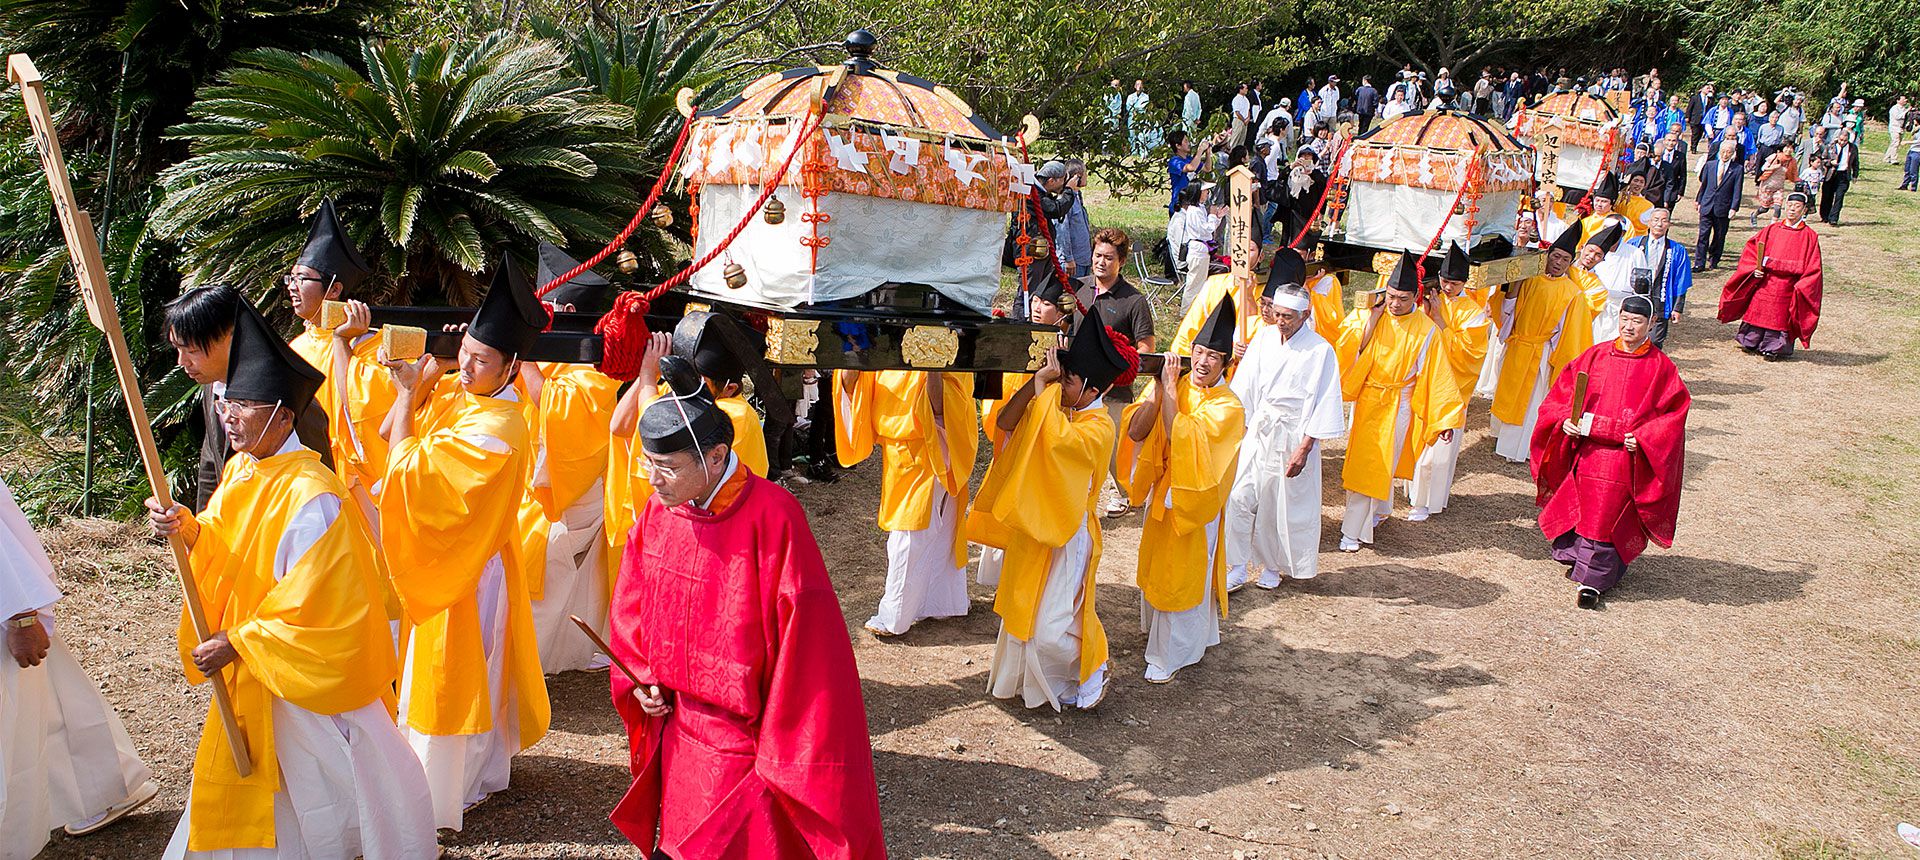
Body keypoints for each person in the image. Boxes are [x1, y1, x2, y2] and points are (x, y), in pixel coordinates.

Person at [146, 301, 436, 859]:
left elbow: (316, 604)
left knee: (326, 793)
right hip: (258, 667)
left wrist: (238, 640)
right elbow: (226, 544)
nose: (231, 418)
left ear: (283, 416)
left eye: (246, 407)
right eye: (229, 405)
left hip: (303, 679)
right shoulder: (244, 468)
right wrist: (186, 528)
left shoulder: (312, 495)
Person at [607, 356, 885, 859]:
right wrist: (642, 676)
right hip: (676, 723)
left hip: (747, 742)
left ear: (715, 457)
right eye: (647, 463)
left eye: (666, 467)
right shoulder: (658, 512)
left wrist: (782, 750)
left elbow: (808, 649)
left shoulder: (774, 517)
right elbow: (633, 603)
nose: (652, 479)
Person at [377, 255, 550, 831]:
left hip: (467, 562)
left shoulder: (499, 428)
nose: (468, 367)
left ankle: (450, 785)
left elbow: (407, 475)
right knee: (464, 667)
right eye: (466, 352)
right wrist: (420, 383)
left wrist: (406, 398)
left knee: (456, 672)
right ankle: (469, 772)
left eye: (482, 360)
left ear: (512, 366)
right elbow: (385, 435)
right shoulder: (465, 394)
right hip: (455, 553)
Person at [969, 324, 1138, 710]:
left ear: (1094, 390)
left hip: (1068, 533)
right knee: (1023, 610)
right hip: (1037, 525)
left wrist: (1045, 392)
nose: (1062, 387)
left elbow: (1059, 443)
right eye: (1061, 379)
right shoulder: (1058, 407)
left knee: (1051, 627)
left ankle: (1093, 665)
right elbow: (1006, 423)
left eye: (1069, 381)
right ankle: (1049, 685)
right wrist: (1036, 383)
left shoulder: (1098, 427)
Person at [3, 478, 157, 857]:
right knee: (53, 702)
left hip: (11, 613)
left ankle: (110, 787)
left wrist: (22, 616)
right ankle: (111, 785)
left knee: (32, 713)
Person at [1529, 294, 1690, 609]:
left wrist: (1644, 439)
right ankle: (1577, 557)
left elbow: (1673, 415)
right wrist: (1565, 422)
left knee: (1606, 515)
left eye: (1638, 321)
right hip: (1587, 450)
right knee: (1583, 507)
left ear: (1651, 323)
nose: (1629, 327)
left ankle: (1594, 581)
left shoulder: (1662, 368)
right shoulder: (1595, 356)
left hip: (1624, 456)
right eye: (1625, 320)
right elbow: (1562, 395)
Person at [1118, 295, 1245, 683]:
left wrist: (1171, 391)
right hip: (1165, 491)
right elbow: (1137, 430)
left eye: (1214, 356)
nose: (1204, 362)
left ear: (1226, 364)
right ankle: (1182, 636)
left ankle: (1173, 653)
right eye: (1200, 351)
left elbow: (1180, 434)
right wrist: (1158, 391)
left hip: (1195, 502)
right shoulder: (1177, 384)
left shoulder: (1229, 405)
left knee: (1184, 573)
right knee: (1161, 564)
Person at [517, 244, 623, 675]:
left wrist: (521, 356)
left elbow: (554, 409)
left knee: (541, 564)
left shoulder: (592, 374)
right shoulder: (549, 360)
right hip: (533, 484)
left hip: (571, 495)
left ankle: (528, 659)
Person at [1223, 257, 1344, 589]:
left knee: (1279, 505)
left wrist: (1304, 449)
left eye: (1288, 317)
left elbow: (1324, 402)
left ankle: (1272, 566)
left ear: (1305, 316)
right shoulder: (1263, 338)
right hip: (1261, 427)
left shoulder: (1321, 352)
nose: (1280, 322)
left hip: (1293, 433)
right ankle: (1235, 563)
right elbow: (1245, 386)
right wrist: (1236, 428)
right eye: (1277, 314)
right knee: (1240, 495)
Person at [834, 363, 979, 637]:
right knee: (930, 528)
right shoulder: (888, 347)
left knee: (909, 533)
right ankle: (942, 601)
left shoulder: (943, 344)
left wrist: (931, 365)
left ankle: (894, 616)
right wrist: (853, 354)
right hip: (899, 444)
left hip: (930, 442)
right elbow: (854, 388)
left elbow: (944, 406)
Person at [1334, 253, 1465, 552]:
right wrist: (1372, 320)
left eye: (1403, 299)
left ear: (1415, 297)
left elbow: (1437, 375)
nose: (1395, 304)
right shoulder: (1374, 315)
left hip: (1399, 403)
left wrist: (1444, 418)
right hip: (1368, 398)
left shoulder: (1426, 330)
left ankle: (1352, 531)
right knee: (1366, 462)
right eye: (1391, 296)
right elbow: (1350, 348)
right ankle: (1378, 511)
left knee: (1379, 462)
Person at [165, 286, 332, 511]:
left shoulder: (288, 401)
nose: (182, 361)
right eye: (177, 349)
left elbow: (320, 480)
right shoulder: (211, 386)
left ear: (230, 336)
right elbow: (211, 464)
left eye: (192, 350)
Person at [1488, 225, 1597, 464]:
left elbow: (1570, 333)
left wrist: (1557, 357)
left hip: (1541, 351)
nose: (1558, 262)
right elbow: (1509, 309)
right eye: (1555, 256)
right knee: (1507, 392)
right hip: (1518, 343)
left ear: (1571, 262)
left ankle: (1520, 448)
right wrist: (1513, 287)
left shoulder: (1573, 294)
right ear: (1547, 255)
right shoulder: (1530, 279)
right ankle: (1501, 438)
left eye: (1565, 259)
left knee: (1529, 402)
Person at [1404, 243, 1489, 520]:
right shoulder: (1430, 299)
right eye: (1444, 281)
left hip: (1451, 387)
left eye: (1453, 283)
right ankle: (1412, 490)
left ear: (1464, 282)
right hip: (1423, 380)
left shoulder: (1473, 313)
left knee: (1438, 449)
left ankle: (1429, 501)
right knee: (1416, 439)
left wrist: (1439, 319)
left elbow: (1468, 354)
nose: (1447, 287)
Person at [1075, 229, 1157, 517]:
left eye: (1109, 258)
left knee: (1114, 450)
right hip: (1075, 386)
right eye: (1098, 256)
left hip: (1114, 390)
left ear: (1121, 261)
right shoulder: (1077, 289)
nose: (1101, 262)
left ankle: (1122, 493)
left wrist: (1121, 368)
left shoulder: (1134, 301)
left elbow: (1145, 348)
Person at [1718, 189, 1824, 360]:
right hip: (1766, 280)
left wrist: (1802, 284)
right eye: (1789, 205)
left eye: (1797, 206)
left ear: (1804, 210)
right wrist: (1755, 269)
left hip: (1787, 285)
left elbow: (1814, 266)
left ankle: (1774, 347)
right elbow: (1753, 250)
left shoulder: (1809, 236)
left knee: (1779, 317)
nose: (1792, 209)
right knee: (1758, 312)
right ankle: (1750, 341)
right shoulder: (1772, 229)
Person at [1624, 208, 1694, 347]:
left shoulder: (1677, 250)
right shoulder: (1634, 244)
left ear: (1669, 224)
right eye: (1655, 220)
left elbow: (1681, 281)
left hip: (1660, 298)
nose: (1659, 224)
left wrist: (1677, 308)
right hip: (1635, 296)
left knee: (1654, 341)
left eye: (1664, 220)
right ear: (1649, 222)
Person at [1168, 183, 1224, 310]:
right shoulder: (1194, 211)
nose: (1207, 193)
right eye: (1205, 191)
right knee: (1194, 283)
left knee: (1199, 282)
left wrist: (1216, 217)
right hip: (1197, 250)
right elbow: (1206, 229)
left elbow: (1208, 229)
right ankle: (1186, 311)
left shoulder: (1200, 208)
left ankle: (1194, 310)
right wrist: (1213, 216)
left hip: (1202, 249)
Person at [1695, 139, 1744, 271]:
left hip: (1723, 207)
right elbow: (1704, 185)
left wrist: (1734, 208)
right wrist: (1698, 200)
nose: (1725, 154)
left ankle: (1714, 259)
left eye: (1729, 152)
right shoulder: (1710, 165)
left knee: (1719, 235)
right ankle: (1699, 262)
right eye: (1723, 151)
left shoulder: (1737, 169)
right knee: (1703, 235)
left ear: (1733, 153)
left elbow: (1737, 189)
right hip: (1707, 204)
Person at [1057, 160, 1093, 278]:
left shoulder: (1077, 196)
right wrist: (1068, 258)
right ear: (1078, 175)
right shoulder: (1065, 200)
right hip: (1073, 262)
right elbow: (1062, 230)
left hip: (1083, 259)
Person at [1820, 129, 1857, 226]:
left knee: (1839, 197)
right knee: (1827, 196)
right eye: (1841, 140)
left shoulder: (1852, 148)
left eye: (1845, 140)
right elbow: (1822, 160)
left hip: (1843, 175)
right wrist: (1830, 162)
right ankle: (1825, 215)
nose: (1842, 142)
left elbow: (1855, 162)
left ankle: (1834, 218)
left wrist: (1855, 175)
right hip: (1831, 174)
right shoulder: (1830, 146)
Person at [1751, 146, 1795, 225]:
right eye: (1787, 147)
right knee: (1765, 208)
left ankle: (1772, 226)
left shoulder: (1791, 161)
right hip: (1767, 186)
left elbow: (1794, 174)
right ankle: (1754, 215)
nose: (1789, 150)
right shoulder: (1774, 157)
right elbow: (1763, 168)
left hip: (1779, 187)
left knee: (1777, 208)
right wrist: (1773, 167)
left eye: (1791, 148)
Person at [1645, 135, 1687, 210]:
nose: (1670, 143)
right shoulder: (1647, 163)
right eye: (1668, 140)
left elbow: (1682, 176)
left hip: (1667, 194)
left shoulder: (1678, 158)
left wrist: (1679, 193)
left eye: (1673, 140)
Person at [1126, 80, 1151, 155]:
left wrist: (1137, 110)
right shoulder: (1130, 96)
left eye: (1140, 84)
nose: (1139, 86)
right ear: (1134, 86)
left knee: (1142, 135)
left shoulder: (1146, 96)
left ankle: (1143, 153)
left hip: (1142, 117)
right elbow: (1128, 106)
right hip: (1132, 117)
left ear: (1143, 86)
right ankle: (1133, 152)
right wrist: (1134, 111)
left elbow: (1144, 107)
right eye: (1137, 84)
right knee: (1132, 134)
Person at [1687, 84, 1714, 153]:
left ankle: (1694, 145)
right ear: (1701, 89)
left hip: (1704, 119)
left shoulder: (1710, 99)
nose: (1708, 90)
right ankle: (1693, 147)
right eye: (1707, 88)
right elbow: (1690, 108)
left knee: (1700, 134)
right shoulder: (1695, 98)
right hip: (1695, 118)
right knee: (1695, 134)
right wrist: (1687, 116)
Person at [1886, 95, 1910, 164]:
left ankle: (1887, 157)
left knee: (1895, 143)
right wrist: (1907, 111)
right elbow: (1898, 117)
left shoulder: (1904, 108)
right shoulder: (1894, 108)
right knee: (1895, 142)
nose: (1905, 101)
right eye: (1903, 99)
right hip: (1894, 128)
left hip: (1901, 128)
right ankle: (1893, 159)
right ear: (1898, 101)